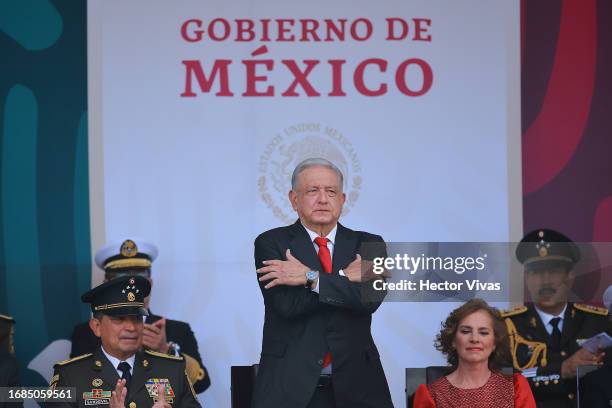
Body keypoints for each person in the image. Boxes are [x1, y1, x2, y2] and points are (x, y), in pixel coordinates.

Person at [252, 158, 393, 408]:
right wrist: (344, 277)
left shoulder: (372, 244)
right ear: (294, 199)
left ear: (342, 199)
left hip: (359, 388)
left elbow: (369, 301)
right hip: (290, 389)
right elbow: (288, 304)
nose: (323, 199)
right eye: (312, 191)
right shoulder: (271, 242)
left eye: (331, 191)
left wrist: (310, 278)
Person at [70, 239, 210, 393]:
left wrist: (166, 352)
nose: (131, 287)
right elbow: (74, 391)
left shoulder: (178, 329)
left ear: (149, 282)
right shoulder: (86, 332)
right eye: (121, 279)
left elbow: (201, 385)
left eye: (139, 278)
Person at [51, 275, 201, 408]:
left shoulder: (172, 370)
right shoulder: (69, 376)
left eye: (136, 318)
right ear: (97, 327)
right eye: (119, 319)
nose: (131, 327)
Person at [503, 229, 612, 407]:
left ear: (570, 277)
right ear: (527, 278)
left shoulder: (599, 322)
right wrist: (561, 370)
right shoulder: (506, 327)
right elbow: (501, 385)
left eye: (553, 271)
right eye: (537, 272)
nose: (545, 281)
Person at [412, 299, 535, 407]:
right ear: (453, 340)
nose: (474, 339)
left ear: (494, 343)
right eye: (465, 331)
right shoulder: (431, 394)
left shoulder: (515, 387)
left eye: (483, 332)